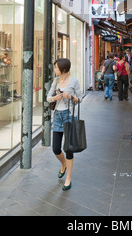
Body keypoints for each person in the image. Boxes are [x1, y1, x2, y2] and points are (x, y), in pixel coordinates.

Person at [47, 58, 83, 191]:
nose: (55, 69)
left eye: (56, 67)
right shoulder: (56, 81)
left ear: (62, 68)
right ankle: (64, 164)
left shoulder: (74, 81)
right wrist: (54, 98)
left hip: (69, 116)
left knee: (68, 148)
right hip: (57, 116)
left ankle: (68, 178)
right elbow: (48, 97)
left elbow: (80, 99)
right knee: (56, 148)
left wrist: (70, 97)